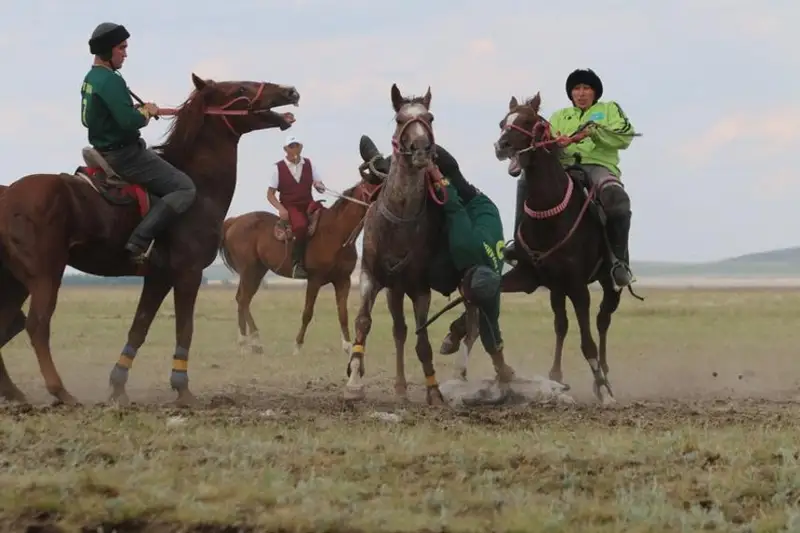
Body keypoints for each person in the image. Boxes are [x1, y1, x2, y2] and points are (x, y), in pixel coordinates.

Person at [359, 136, 515, 382]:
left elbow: (490, 327)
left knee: (440, 274)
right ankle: (384, 164)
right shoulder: (465, 243)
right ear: (465, 282)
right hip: (466, 203)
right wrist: (433, 169)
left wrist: (501, 367)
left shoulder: (490, 286)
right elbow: (451, 201)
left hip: (480, 221)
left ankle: (460, 329)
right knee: (430, 197)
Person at [503, 68, 637, 288]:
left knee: (617, 199)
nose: (581, 93)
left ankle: (619, 262)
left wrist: (591, 131)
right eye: (576, 89)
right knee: (525, 182)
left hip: (598, 167)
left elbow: (624, 134)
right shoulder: (559, 117)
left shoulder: (610, 109)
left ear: (595, 92)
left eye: (586, 88)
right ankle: (518, 245)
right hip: (563, 167)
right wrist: (555, 143)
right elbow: (544, 144)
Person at [81, 22, 197, 265]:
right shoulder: (111, 81)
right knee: (185, 188)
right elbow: (128, 122)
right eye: (121, 47)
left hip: (104, 150)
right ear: (106, 51)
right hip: (126, 156)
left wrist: (138, 109)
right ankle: (139, 242)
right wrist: (144, 112)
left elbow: (89, 119)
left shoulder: (91, 78)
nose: (125, 53)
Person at [266, 135, 326, 279]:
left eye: (296, 145)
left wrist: (319, 186)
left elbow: (320, 185)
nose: (294, 149)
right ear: (285, 149)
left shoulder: (309, 164)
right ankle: (296, 264)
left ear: (301, 147)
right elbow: (270, 194)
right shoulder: (278, 168)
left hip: (308, 202)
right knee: (300, 226)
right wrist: (281, 209)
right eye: (291, 146)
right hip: (290, 205)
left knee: (327, 218)